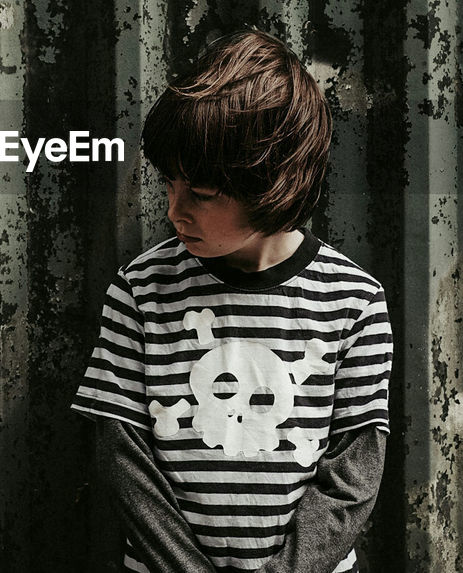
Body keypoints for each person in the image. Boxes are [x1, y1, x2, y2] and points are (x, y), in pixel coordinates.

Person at [72, 29, 393, 572]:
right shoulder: (142, 289)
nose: (175, 211)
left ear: (276, 185)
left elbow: (353, 471)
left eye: (200, 194)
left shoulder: (352, 301)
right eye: (169, 185)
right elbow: (122, 454)